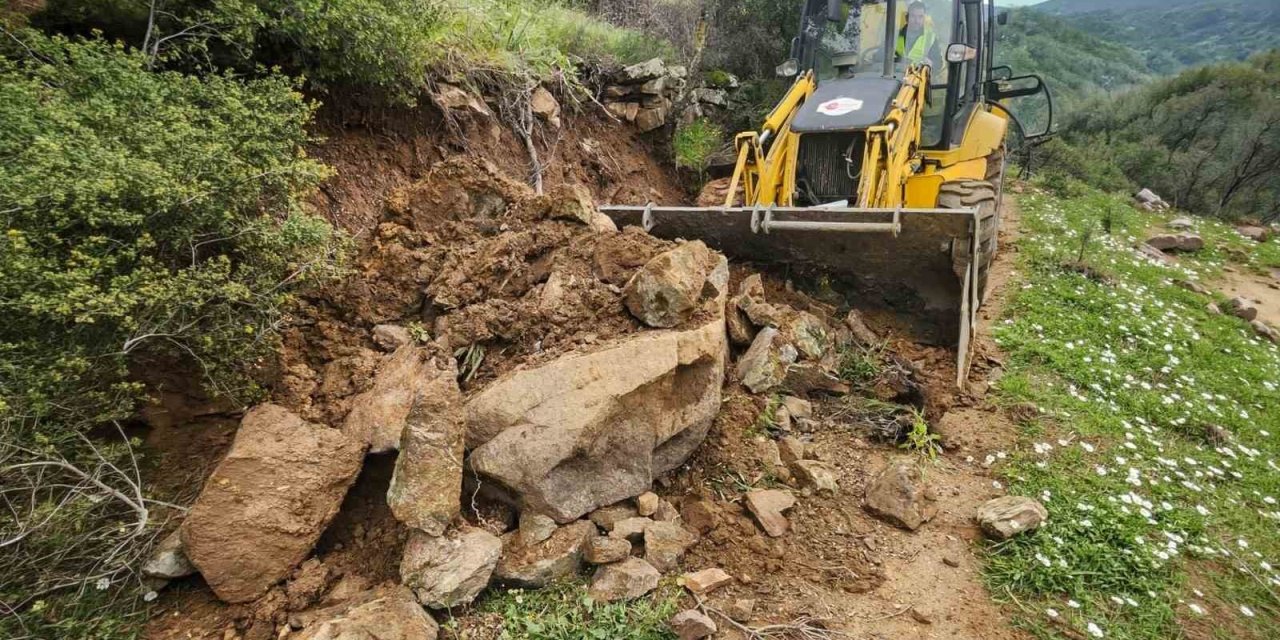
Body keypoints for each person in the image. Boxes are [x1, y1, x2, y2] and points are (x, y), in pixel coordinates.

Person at [896, 1, 941, 69]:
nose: (916, 21)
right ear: (907, 18)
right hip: (897, 76)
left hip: (920, 78)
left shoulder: (930, 38)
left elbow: (938, 63)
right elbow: (879, 57)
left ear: (924, 18)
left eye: (920, 17)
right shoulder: (896, 35)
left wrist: (931, 63)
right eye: (913, 16)